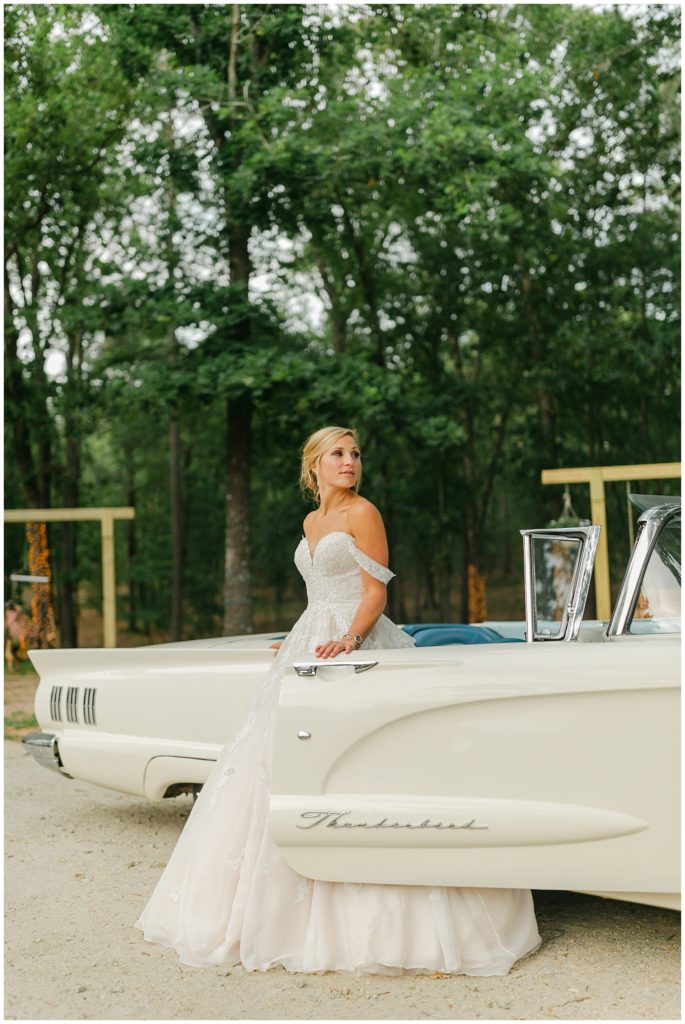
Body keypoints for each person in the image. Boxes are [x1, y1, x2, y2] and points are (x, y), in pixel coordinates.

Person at [135, 425, 541, 975]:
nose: (349, 462)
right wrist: (301, 633)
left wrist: (348, 641)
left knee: (363, 766)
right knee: (279, 764)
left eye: (354, 454)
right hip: (312, 641)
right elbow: (320, 593)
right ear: (314, 467)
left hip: (356, 644)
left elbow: (375, 592)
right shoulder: (311, 521)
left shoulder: (363, 513)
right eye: (338, 454)